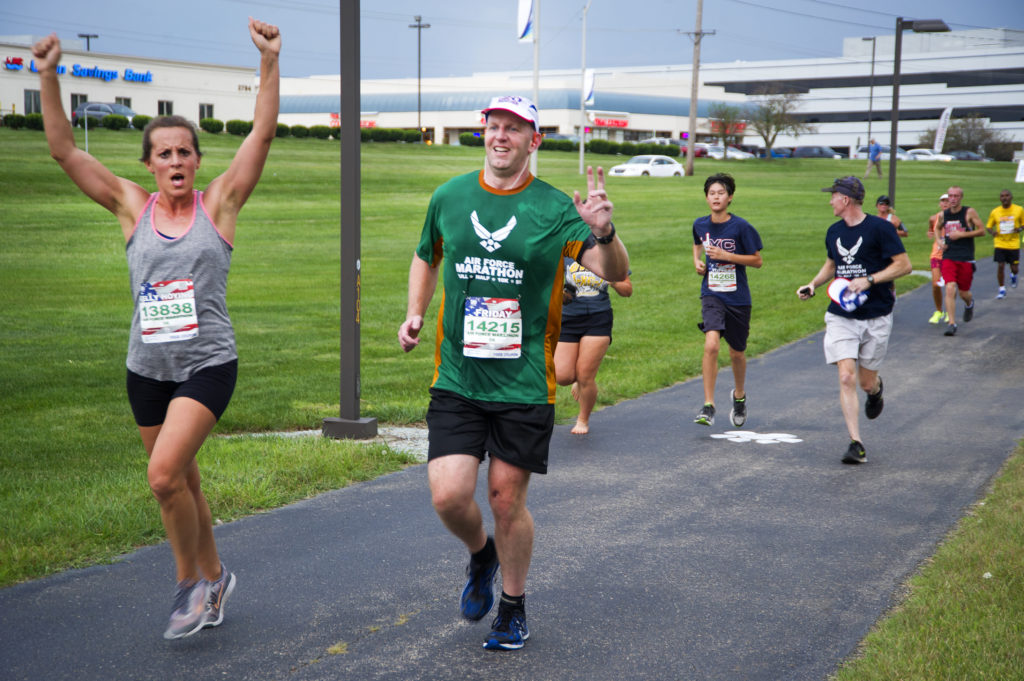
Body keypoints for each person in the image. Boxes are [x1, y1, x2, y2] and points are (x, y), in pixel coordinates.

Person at [33, 18, 280, 639]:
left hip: (207, 364)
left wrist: (269, 61)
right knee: (184, 479)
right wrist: (48, 75)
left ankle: (187, 584)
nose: (175, 160)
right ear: (149, 163)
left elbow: (262, 133)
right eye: (164, 153)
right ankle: (216, 578)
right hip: (146, 368)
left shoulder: (219, 204)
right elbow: (64, 152)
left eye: (184, 152)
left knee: (164, 476)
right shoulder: (130, 206)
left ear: (197, 160)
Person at [397, 95, 629, 651]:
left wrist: (604, 232)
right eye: (494, 126)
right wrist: (415, 312)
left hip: (524, 380)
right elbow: (427, 254)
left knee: (506, 500)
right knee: (449, 496)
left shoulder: (554, 207)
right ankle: (482, 555)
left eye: (514, 129)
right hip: (458, 376)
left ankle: (513, 608)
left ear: (534, 141)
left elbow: (612, 271)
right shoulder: (450, 196)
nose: (501, 136)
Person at [796, 177, 911, 464]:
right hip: (842, 314)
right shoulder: (834, 231)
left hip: (876, 314)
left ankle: (876, 391)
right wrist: (813, 284)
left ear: (845, 199)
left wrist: (869, 280)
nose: (830, 201)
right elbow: (832, 265)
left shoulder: (881, 229)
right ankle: (856, 443)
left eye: (833, 196)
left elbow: (904, 265)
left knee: (865, 382)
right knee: (846, 375)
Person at [691, 173, 763, 428]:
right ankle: (708, 405)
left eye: (721, 193)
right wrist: (697, 262)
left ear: (730, 197)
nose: (716, 197)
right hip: (712, 293)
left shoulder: (741, 227)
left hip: (738, 297)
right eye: (712, 193)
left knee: (737, 353)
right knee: (711, 345)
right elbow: (697, 244)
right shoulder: (700, 224)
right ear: (706, 198)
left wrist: (726, 255)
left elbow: (757, 260)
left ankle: (739, 396)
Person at [554, 260, 632, 435]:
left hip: (598, 318)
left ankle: (583, 419)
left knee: (585, 376)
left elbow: (627, 290)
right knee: (562, 376)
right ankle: (577, 380)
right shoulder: (565, 253)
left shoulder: (608, 256)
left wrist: (612, 281)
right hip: (568, 318)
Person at [937, 185, 986, 336]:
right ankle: (952, 323)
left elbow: (982, 231)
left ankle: (969, 304)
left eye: (956, 196)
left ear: (961, 197)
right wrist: (939, 242)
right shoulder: (944, 215)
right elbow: (937, 228)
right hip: (949, 256)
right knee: (950, 287)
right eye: (950, 196)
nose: (952, 199)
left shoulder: (968, 212)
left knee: (964, 293)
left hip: (966, 257)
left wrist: (961, 235)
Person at [984, 189, 1024, 299]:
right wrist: (993, 232)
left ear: (1011, 197)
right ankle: (1001, 289)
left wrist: (1019, 229)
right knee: (1000, 265)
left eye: (1007, 195)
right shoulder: (995, 212)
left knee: (1014, 268)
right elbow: (989, 226)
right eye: (1002, 196)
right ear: (1000, 198)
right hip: (1000, 243)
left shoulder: (1019, 210)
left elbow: (1023, 224)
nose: (1004, 198)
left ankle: (1013, 275)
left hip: (1013, 244)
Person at [926, 194, 950, 323]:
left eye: (947, 201)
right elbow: (931, 229)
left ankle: (949, 311)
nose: (945, 203)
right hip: (936, 254)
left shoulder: (955, 218)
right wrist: (930, 232)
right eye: (943, 201)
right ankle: (939, 311)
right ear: (940, 204)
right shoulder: (934, 218)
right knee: (935, 285)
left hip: (950, 255)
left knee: (949, 285)